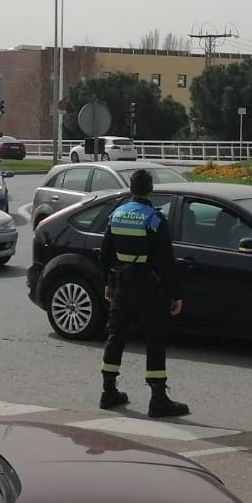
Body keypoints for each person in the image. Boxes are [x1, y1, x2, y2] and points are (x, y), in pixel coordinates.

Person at [98, 168, 189, 417]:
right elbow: (166, 261)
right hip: (149, 288)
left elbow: (105, 254)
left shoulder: (116, 215)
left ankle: (108, 391)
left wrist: (109, 283)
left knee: (116, 337)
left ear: (130, 188)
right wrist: (176, 294)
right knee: (155, 340)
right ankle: (158, 399)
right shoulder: (154, 219)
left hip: (123, 286)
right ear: (151, 189)